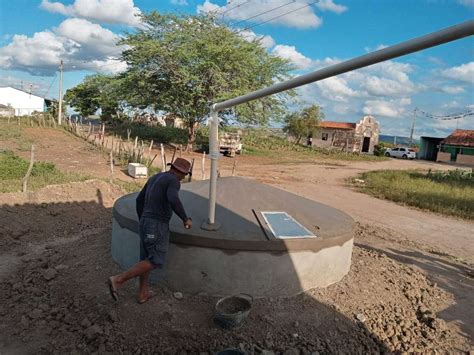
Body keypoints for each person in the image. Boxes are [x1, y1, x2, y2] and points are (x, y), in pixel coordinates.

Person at [107, 158, 193, 304]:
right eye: (184, 175)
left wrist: (143, 220)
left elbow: (139, 200)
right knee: (156, 260)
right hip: (157, 224)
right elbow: (173, 199)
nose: (183, 178)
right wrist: (185, 218)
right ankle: (118, 280)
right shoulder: (173, 181)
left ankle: (143, 293)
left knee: (146, 258)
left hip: (146, 222)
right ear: (179, 172)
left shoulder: (155, 178)